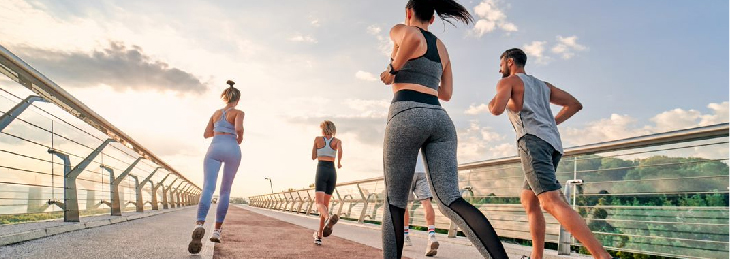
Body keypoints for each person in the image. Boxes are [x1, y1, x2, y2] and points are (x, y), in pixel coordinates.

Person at [378, 0, 508, 258]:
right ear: (434, 18)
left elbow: (414, 37)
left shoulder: (402, 29)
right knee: (451, 200)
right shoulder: (443, 48)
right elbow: (446, 93)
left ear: (408, 12)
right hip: (439, 119)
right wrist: (424, 82)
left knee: (395, 202)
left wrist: (392, 70)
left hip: (407, 112)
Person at [487, 48, 614, 259]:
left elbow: (496, 109)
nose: (499, 69)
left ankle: (602, 256)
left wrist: (493, 101)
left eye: (500, 64)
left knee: (550, 201)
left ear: (510, 62)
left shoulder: (507, 82)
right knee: (529, 199)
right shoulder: (543, 86)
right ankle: (537, 256)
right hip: (552, 144)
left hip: (532, 142)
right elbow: (575, 104)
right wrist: (550, 122)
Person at [188, 80, 244, 254]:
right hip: (232, 147)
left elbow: (206, 134)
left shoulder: (215, 113)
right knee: (225, 191)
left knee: (208, 188)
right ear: (238, 99)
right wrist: (239, 137)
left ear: (225, 97)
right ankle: (217, 231)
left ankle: (199, 224)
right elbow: (239, 128)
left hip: (215, 146)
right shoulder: (238, 112)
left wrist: (218, 129)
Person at [311, 120, 343, 245]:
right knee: (325, 206)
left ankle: (329, 218)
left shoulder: (318, 139)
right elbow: (340, 151)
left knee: (319, 203)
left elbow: (313, 156)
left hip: (322, 169)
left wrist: (316, 146)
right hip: (332, 171)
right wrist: (339, 162)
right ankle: (319, 235)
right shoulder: (337, 141)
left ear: (323, 129)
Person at [403, 152, 439, 256]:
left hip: (407, 170)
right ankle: (431, 235)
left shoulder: (401, 135)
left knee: (403, 204)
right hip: (422, 171)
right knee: (426, 202)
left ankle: (405, 236)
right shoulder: (422, 135)